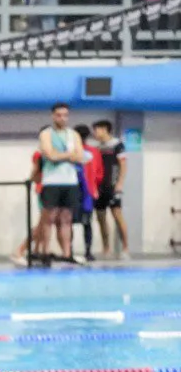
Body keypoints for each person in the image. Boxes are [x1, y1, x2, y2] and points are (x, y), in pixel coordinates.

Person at [37, 102, 84, 263]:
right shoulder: (46, 134)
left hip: (70, 182)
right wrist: (68, 155)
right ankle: (45, 252)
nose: (62, 118)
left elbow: (80, 157)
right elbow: (50, 155)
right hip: (52, 181)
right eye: (59, 115)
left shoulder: (74, 135)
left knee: (66, 219)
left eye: (65, 115)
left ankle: (66, 253)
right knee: (48, 218)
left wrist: (61, 155)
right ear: (53, 116)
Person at [90, 119, 128, 259]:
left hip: (113, 186)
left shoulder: (118, 145)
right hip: (100, 188)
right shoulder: (98, 148)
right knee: (101, 218)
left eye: (96, 129)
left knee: (117, 216)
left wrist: (119, 184)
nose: (94, 133)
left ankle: (125, 248)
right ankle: (106, 248)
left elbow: (123, 165)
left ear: (104, 129)